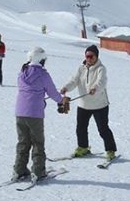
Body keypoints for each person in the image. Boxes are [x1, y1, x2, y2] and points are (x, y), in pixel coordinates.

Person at [12, 46, 68, 182]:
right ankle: (38, 172)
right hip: (35, 114)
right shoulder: (43, 74)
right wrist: (62, 100)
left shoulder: (22, 73)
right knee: (37, 142)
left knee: (23, 142)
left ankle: (19, 170)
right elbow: (53, 92)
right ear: (41, 60)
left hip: (20, 112)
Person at [60, 44, 117, 160]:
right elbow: (74, 81)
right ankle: (83, 147)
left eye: (91, 56)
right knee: (80, 127)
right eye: (87, 56)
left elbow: (101, 82)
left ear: (96, 56)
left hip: (99, 105)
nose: (89, 58)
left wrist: (95, 88)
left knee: (103, 129)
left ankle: (110, 150)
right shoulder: (81, 68)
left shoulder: (101, 68)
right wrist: (66, 88)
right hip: (83, 104)